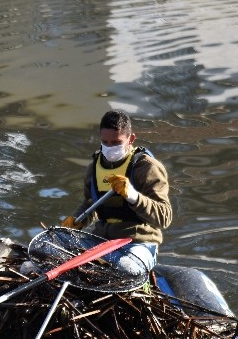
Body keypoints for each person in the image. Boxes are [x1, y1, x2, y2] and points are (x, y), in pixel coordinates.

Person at [62, 109, 172, 274]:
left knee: (124, 269)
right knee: (55, 248)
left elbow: (164, 217)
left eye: (116, 142)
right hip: (101, 240)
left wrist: (133, 196)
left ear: (131, 139)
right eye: (105, 142)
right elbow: (90, 203)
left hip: (137, 243)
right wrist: (78, 220)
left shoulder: (147, 167)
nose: (110, 147)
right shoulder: (94, 167)